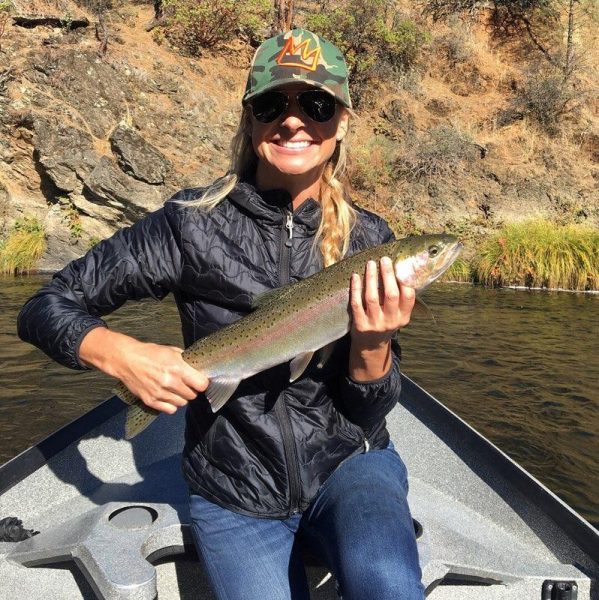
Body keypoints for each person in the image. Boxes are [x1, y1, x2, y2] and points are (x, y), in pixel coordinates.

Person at [18, 29, 424, 600]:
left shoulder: (370, 241)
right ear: (249, 120)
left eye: (315, 105)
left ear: (341, 122)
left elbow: (368, 411)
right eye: (270, 105)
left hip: (350, 465)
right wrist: (120, 354)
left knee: (388, 586)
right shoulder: (190, 223)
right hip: (232, 482)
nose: (292, 121)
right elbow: (45, 305)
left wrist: (374, 347)